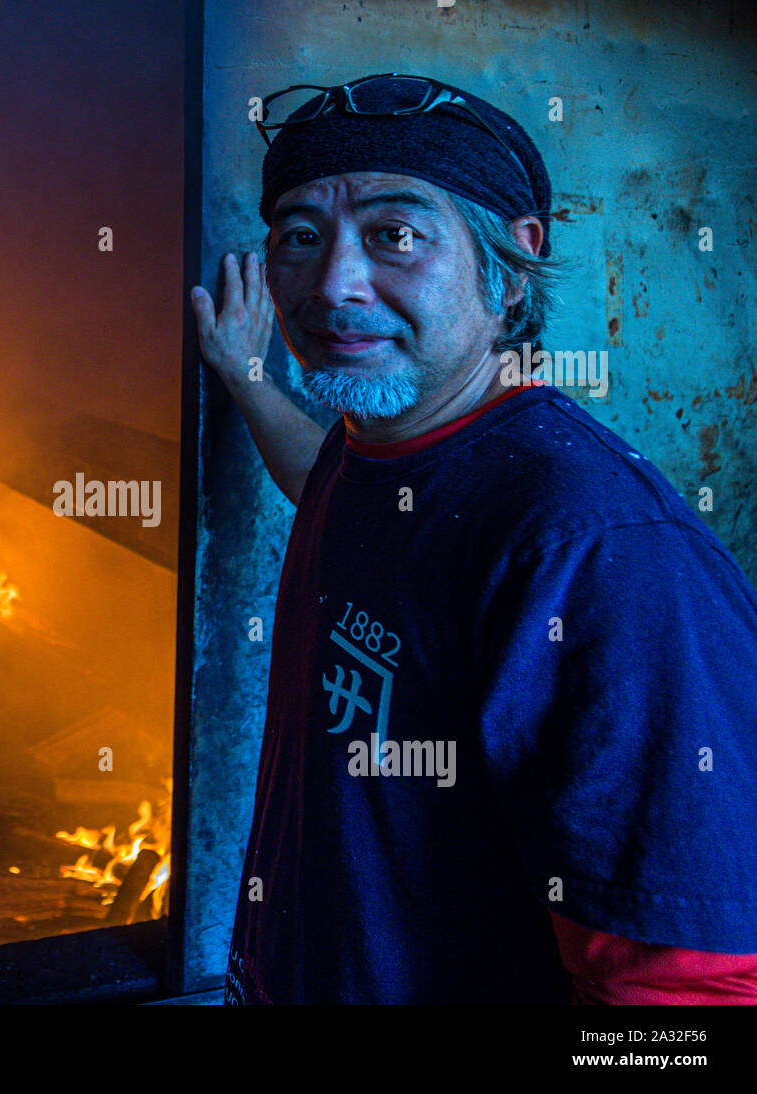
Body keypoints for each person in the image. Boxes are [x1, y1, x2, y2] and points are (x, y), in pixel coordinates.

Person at [190, 73, 757, 1004]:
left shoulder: (594, 550)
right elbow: (334, 492)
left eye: (396, 235)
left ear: (511, 264)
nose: (335, 283)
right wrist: (251, 376)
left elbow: (694, 995)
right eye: (301, 237)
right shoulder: (376, 453)